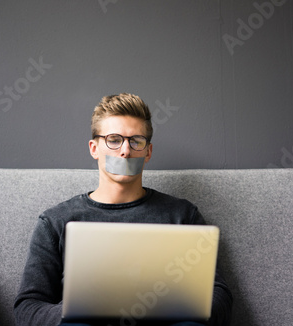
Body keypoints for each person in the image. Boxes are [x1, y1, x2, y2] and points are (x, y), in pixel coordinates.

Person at [14, 93, 233, 326]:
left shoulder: (182, 215)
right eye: (114, 140)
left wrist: (176, 310)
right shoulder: (55, 222)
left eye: (136, 140)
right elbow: (27, 306)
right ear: (94, 148)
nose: (125, 151)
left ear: (147, 152)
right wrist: (76, 312)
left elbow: (219, 294)